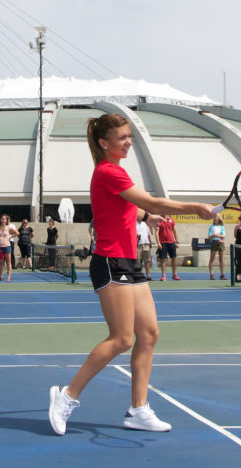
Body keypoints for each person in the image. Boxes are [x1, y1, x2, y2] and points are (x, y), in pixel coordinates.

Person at [48, 112, 213, 436]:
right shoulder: (108, 171)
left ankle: (138, 409)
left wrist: (146, 217)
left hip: (130, 262)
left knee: (149, 334)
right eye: (121, 137)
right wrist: (195, 207)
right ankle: (66, 396)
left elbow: (130, 205)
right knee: (122, 338)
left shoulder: (116, 173)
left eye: (129, 137)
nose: (127, 142)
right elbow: (151, 199)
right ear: (103, 143)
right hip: (110, 263)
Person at [157, 215, 179, 281]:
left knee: (174, 259)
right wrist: (158, 243)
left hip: (171, 242)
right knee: (163, 260)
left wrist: (177, 242)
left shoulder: (171, 220)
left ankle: (174, 274)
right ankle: (163, 275)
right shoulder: (159, 221)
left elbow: (175, 231)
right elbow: (156, 233)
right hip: (163, 243)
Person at [0, 214, 16, 282]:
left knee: (8, 262)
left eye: (5, 219)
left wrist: (10, 237)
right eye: (2, 219)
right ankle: (1, 276)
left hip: (7, 246)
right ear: (0, 220)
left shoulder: (8, 227)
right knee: (0, 263)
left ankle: (8, 277)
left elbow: (17, 233)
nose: (3, 220)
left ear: (6, 220)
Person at [207, 214, 226, 280]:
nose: (214, 218)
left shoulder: (221, 227)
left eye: (215, 217)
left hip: (220, 243)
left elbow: (223, 235)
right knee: (212, 259)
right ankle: (211, 274)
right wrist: (215, 235)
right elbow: (209, 237)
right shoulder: (211, 227)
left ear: (218, 218)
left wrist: (218, 235)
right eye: (214, 217)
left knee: (221, 259)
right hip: (214, 243)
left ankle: (222, 274)